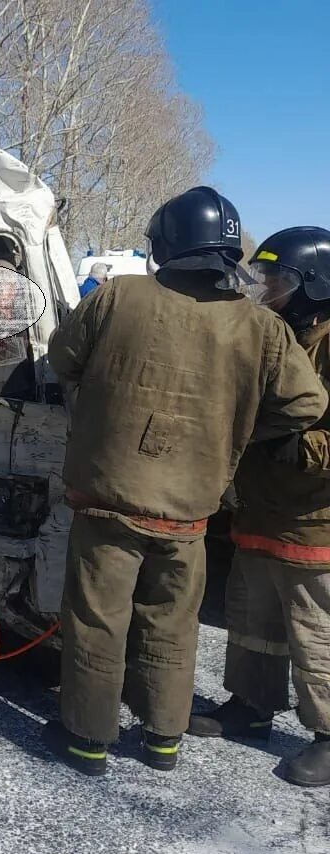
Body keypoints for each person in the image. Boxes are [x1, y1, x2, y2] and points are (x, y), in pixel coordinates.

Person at [44, 186, 328, 777]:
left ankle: (87, 742)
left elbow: (62, 360)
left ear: (165, 244)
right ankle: (163, 739)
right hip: (191, 513)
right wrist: (239, 427)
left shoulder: (116, 296)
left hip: (107, 503)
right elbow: (306, 404)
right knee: (172, 623)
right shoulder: (261, 327)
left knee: (99, 621)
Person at [188, 226, 330, 787]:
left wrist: (298, 446)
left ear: (316, 285)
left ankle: (327, 733)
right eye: (264, 277)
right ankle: (250, 706)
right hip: (259, 512)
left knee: (315, 631)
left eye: (279, 280)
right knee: (254, 620)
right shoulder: (279, 334)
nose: (268, 289)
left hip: (314, 519)